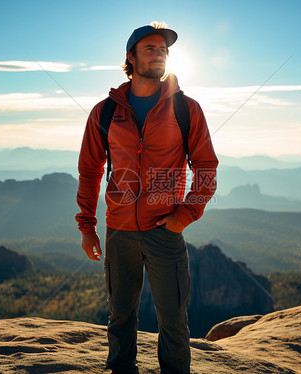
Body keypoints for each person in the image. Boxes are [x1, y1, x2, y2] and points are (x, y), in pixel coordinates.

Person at [75, 23, 218, 374]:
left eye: (164, 50)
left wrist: (183, 217)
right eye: (150, 48)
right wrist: (87, 227)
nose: (159, 54)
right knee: (121, 316)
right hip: (119, 231)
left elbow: (206, 167)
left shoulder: (186, 109)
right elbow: (90, 171)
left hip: (164, 231)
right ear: (131, 57)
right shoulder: (105, 112)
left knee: (173, 319)